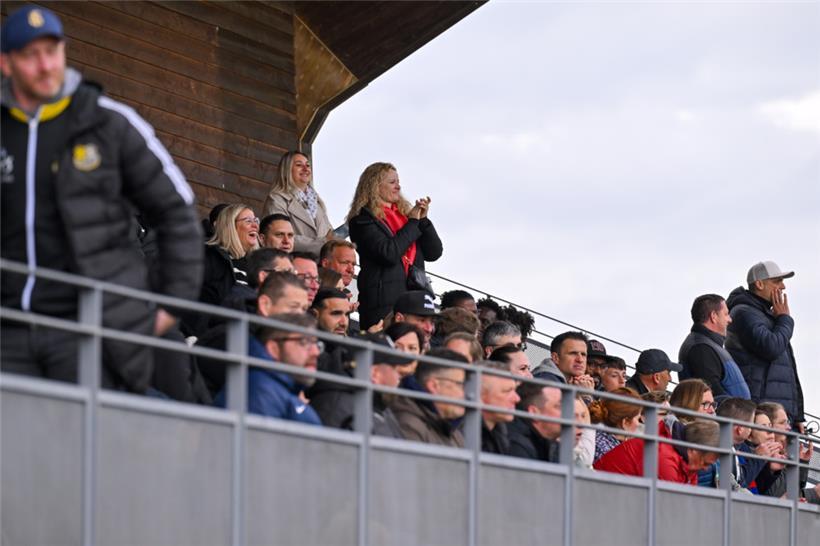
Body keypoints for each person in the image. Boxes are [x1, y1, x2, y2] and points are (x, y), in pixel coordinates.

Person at [0, 5, 203, 393]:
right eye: (30, 55)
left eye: (52, 51)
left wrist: (170, 306)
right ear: (6, 64)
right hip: (7, 330)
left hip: (88, 328)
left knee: (83, 449)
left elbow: (177, 212)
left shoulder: (109, 121)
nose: (45, 66)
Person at [347, 161, 443, 329]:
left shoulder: (407, 217)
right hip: (383, 304)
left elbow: (434, 253)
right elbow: (388, 253)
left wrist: (423, 221)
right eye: (392, 182)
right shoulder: (362, 221)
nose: (398, 187)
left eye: (398, 182)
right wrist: (413, 222)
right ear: (375, 186)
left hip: (414, 300)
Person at [196, 271, 309, 396]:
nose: (301, 317)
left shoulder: (276, 340)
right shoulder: (229, 339)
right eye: (293, 307)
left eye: (304, 309)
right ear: (265, 305)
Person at [725, 261, 804, 429]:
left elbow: (788, 370)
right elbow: (771, 347)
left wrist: (797, 416)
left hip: (778, 414)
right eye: (777, 281)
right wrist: (785, 319)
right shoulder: (744, 312)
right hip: (762, 413)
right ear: (759, 284)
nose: (783, 287)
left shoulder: (766, 315)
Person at [214, 313, 321, 425]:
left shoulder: (278, 389)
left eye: (316, 344)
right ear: (274, 349)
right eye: (304, 342)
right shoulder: (260, 391)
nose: (316, 352)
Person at [594, 419, 721, 485]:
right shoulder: (663, 458)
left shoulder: (686, 460)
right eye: (705, 463)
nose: (705, 469)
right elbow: (667, 511)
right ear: (693, 450)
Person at [262, 150, 334, 255]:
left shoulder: (317, 203)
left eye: (308, 165)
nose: (305, 169)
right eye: (299, 165)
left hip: (320, 266)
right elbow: (279, 236)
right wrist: (322, 243)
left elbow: (329, 235)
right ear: (287, 170)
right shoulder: (277, 199)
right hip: (291, 263)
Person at [389, 352, 468, 447]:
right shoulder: (409, 426)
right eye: (460, 385)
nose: (466, 394)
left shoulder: (452, 430)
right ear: (434, 386)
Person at [679, 294, 750, 398]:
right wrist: (741, 411)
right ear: (713, 316)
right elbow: (714, 395)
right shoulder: (701, 349)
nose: (730, 319)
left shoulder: (710, 346)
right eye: (726, 314)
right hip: (728, 414)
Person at [507, 382, 562, 462]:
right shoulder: (516, 446)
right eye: (558, 407)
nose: (568, 413)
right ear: (534, 412)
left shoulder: (552, 444)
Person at [588, 387, 644, 462]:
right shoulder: (610, 452)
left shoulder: (598, 437)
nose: (638, 424)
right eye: (637, 419)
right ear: (625, 422)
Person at [479, 360, 520, 454]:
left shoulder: (501, 431)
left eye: (514, 390)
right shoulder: (462, 436)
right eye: (507, 391)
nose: (517, 399)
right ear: (480, 395)